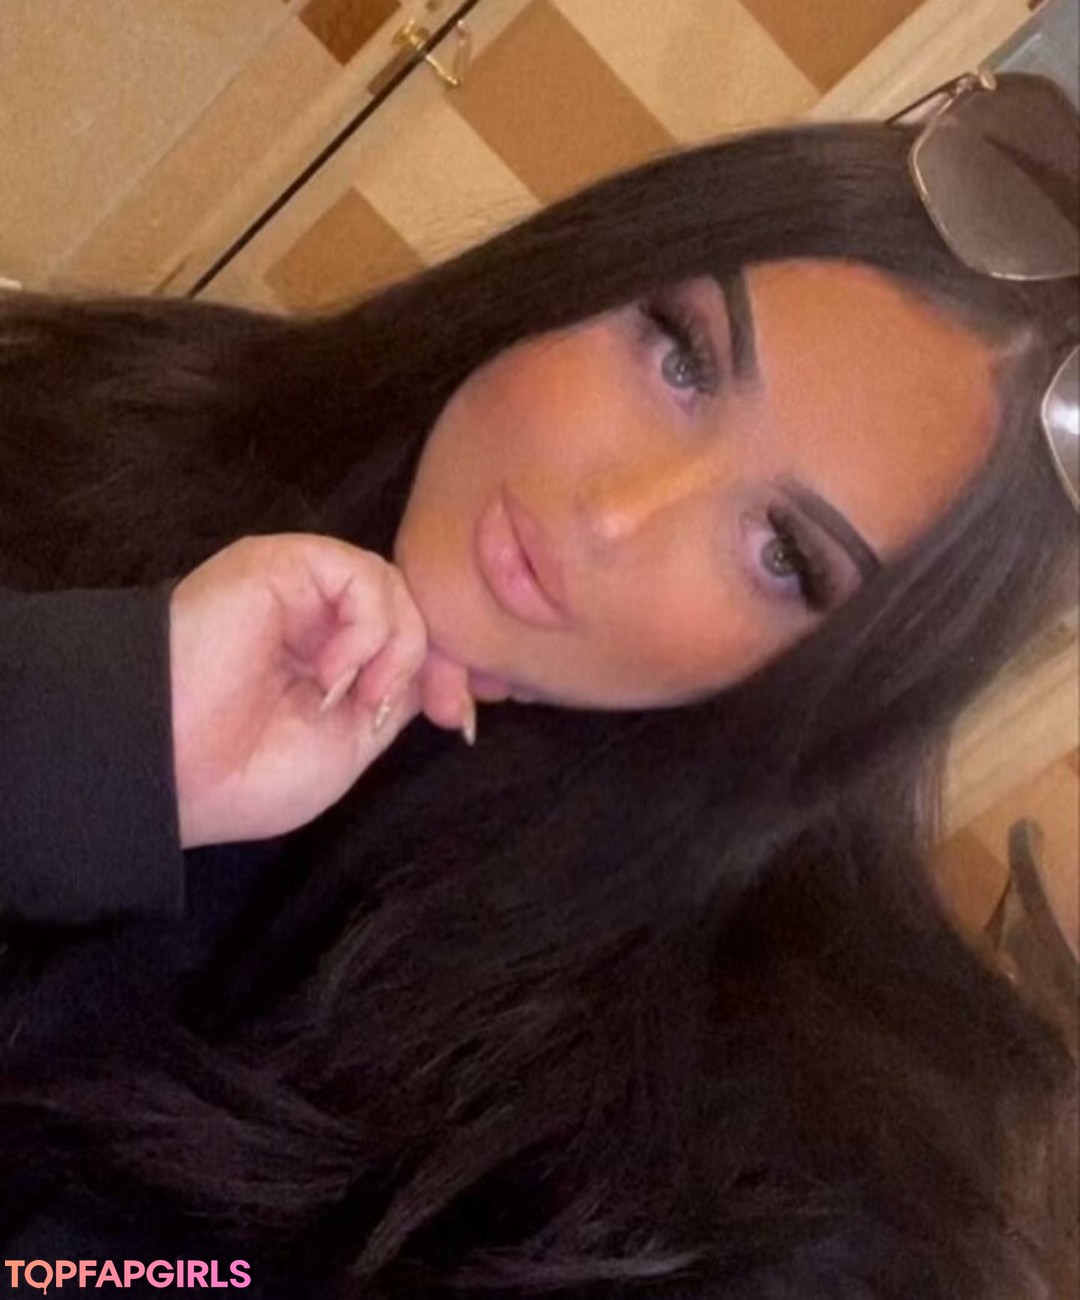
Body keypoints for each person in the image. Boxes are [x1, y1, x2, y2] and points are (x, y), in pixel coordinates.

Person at [0, 84, 1077, 1298]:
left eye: (784, 551)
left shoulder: (710, 1148)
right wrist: (95, 732)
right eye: (681, 356)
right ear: (595, 270)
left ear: (828, 684)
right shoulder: (120, 419)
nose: (617, 513)